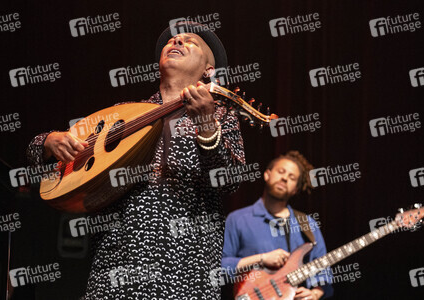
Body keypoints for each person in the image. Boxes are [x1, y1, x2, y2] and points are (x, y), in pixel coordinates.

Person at [26, 21, 245, 299]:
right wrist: (48, 142)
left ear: (208, 71)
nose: (176, 42)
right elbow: (42, 164)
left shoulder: (221, 114)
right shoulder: (122, 115)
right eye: (172, 40)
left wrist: (206, 124)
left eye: (190, 41)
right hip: (116, 267)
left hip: (187, 271)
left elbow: (230, 182)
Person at [222, 151, 333, 299]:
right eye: (281, 171)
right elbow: (220, 267)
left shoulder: (308, 224)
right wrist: (261, 258)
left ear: (295, 190)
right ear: (267, 174)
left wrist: (315, 293)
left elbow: (323, 275)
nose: (285, 178)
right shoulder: (238, 219)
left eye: (292, 177)